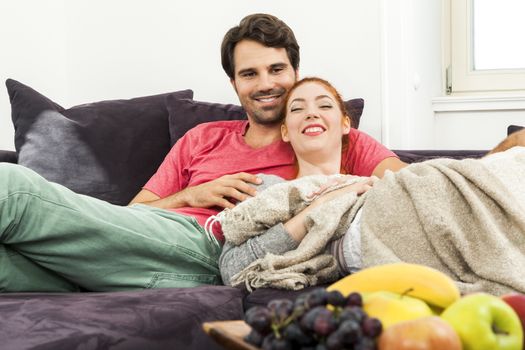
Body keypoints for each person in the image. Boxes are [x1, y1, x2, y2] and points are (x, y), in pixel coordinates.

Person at [0, 14, 404, 293]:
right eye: (250, 74)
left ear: (294, 73)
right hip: (166, 242)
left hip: (232, 252)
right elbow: (133, 213)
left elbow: (412, 185)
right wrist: (192, 196)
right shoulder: (202, 138)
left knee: (11, 186)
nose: (266, 83)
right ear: (234, 83)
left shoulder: (322, 133)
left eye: (276, 70)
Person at [218, 77, 525, 296]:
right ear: (285, 131)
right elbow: (233, 268)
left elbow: (426, 183)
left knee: (517, 146)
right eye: (297, 109)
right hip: (372, 231)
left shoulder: (370, 179)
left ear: (345, 124)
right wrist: (320, 206)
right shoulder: (271, 190)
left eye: (324, 105)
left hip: (410, 197)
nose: (311, 112)